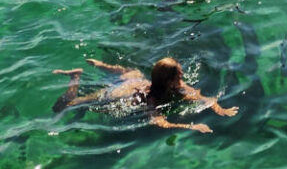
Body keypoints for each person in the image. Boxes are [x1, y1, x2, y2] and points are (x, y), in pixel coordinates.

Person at [52, 56, 237, 132]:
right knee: (66, 105)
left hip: (135, 80)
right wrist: (191, 127)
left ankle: (101, 66)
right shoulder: (152, 100)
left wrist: (220, 109)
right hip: (118, 94)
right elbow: (159, 122)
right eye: (179, 74)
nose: (182, 75)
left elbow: (205, 99)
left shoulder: (177, 86)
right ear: (169, 81)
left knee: (130, 73)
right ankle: (75, 77)